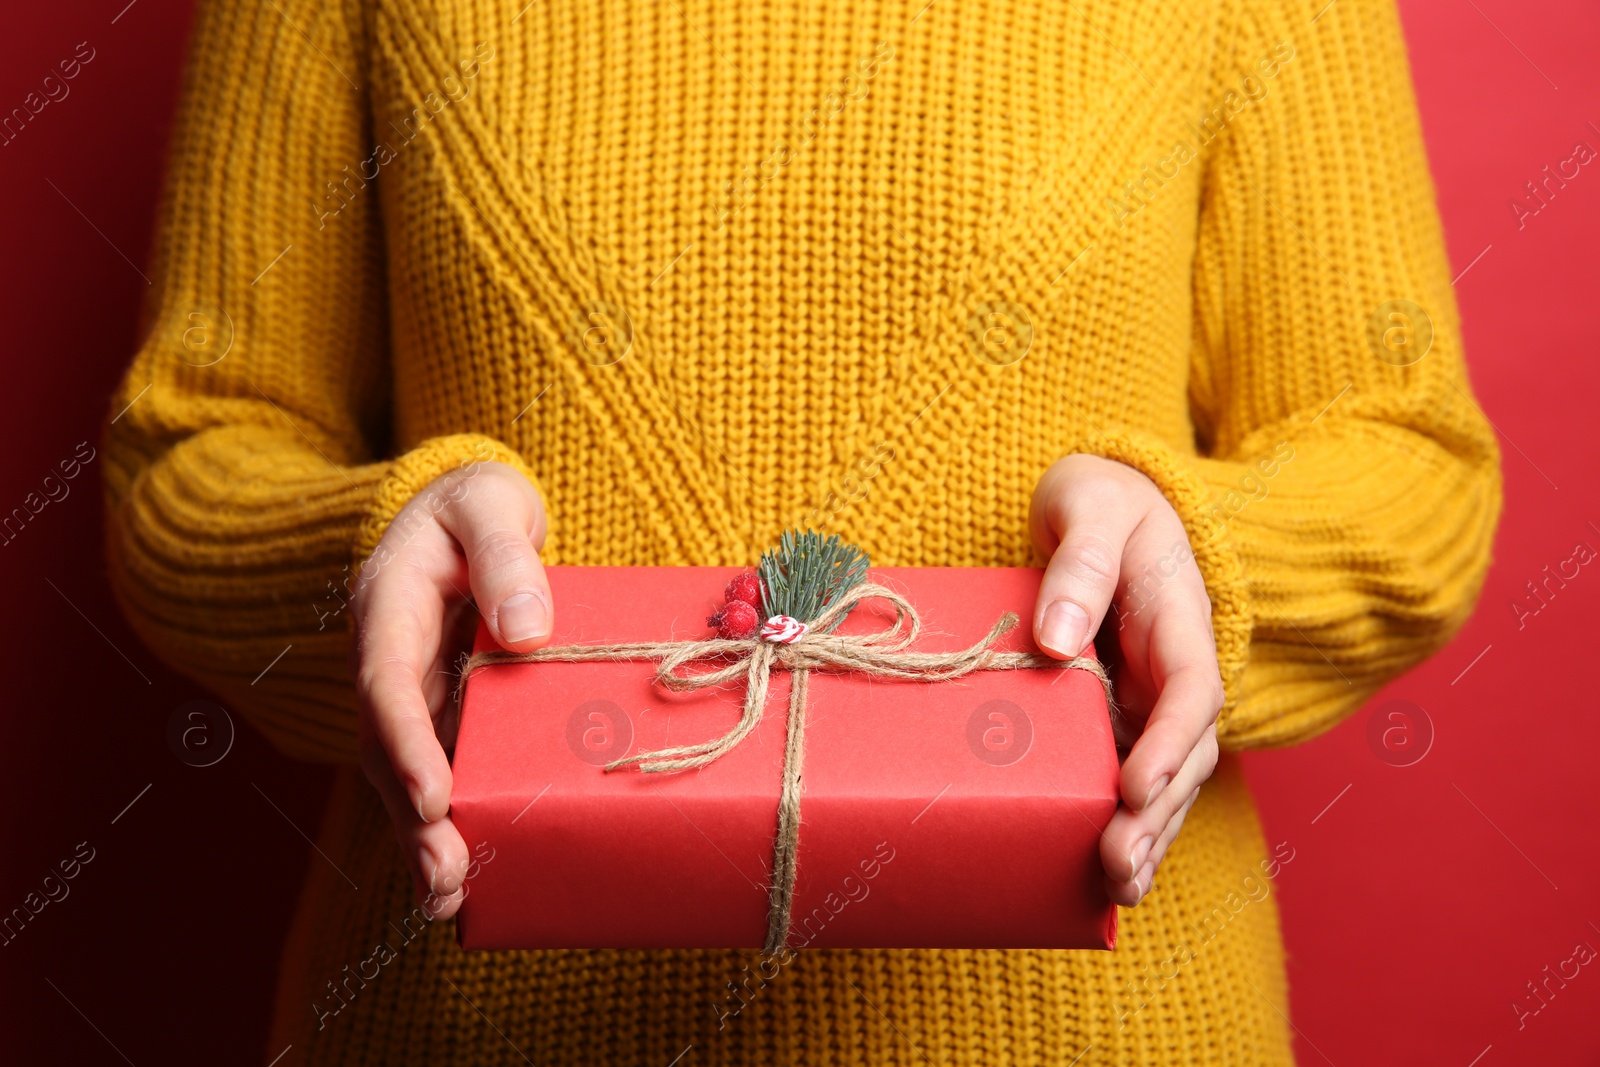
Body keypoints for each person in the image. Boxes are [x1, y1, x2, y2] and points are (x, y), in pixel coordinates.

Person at [103, 0, 1501, 1062]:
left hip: (1098, 1021)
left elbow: (1406, 461)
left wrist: (1208, 558)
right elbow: (193, 452)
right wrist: (360, 556)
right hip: (465, 1016)